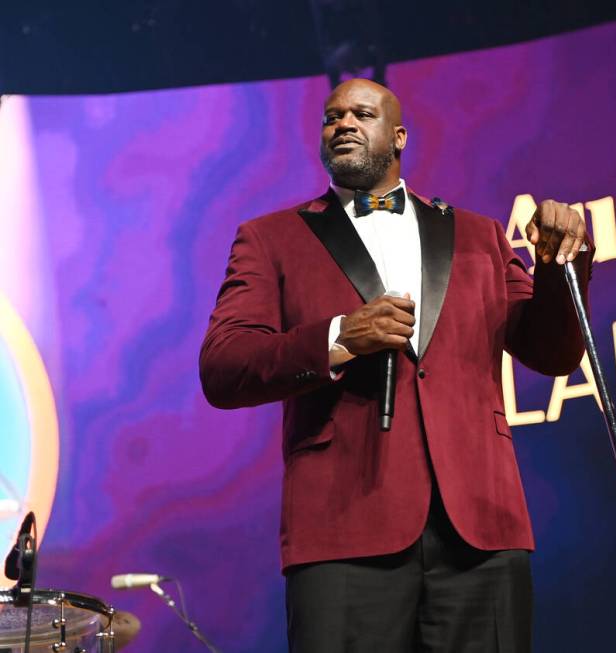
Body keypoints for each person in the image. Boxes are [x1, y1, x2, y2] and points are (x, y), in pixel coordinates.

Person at [199, 78, 592, 652]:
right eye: (332, 118)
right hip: (343, 531)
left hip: (480, 531)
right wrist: (339, 336)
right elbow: (224, 365)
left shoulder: (478, 235)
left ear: (399, 135)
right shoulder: (271, 239)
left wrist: (560, 266)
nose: (344, 124)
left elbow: (554, 353)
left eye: (362, 113)